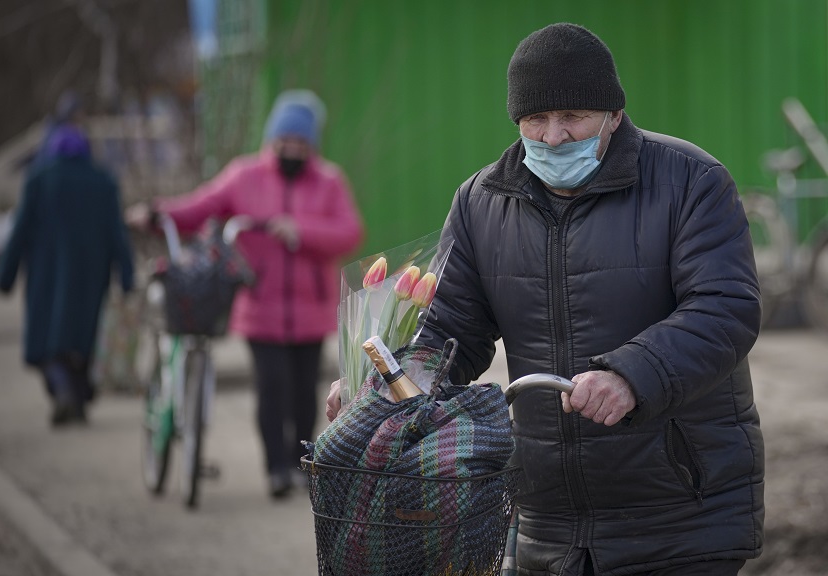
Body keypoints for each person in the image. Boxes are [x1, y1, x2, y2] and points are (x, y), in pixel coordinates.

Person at [327, 23, 763, 575]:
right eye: (536, 120)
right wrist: (386, 383)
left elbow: (725, 308)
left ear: (613, 114)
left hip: (681, 511)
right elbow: (448, 329)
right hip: (545, 519)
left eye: (573, 118)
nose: (554, 137)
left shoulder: (691, 181)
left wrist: (631, 375)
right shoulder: (481, 202)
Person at [126, 89, 364, 499]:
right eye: (284, 140)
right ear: (272, 139)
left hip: (310, 311)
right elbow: (199, 207)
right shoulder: (245, 175)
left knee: (306, 393)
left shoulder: (329, 181)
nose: (291, 148)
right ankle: (275, 468)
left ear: (311, 145)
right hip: (260, 308)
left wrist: (300, 230)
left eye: (300, 142)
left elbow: (350, 232)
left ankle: (297, 463)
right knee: (271, 387)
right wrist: (156, 212)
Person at [0, 126, 135, 426]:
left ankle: (65, 394)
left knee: (50, 341)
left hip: (46, 276)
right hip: (91, 276)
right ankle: (76, 398)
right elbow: (117, 234)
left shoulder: (39, 179)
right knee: (83, 339)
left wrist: (4, 275)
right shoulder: (103, 181)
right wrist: (127, 274)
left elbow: (18, 232)